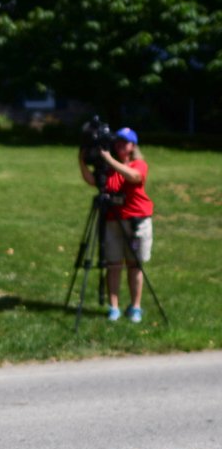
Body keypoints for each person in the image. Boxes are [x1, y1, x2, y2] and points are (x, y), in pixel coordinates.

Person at [78, 126, 154, 323]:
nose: (120, 145)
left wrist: (109, 159)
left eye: (125, 142)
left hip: (136, 222)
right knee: (113, 265)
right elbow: (93, 180)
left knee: (134, 265)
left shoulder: (139, 164)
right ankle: (114, 307)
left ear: (133, 146)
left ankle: (135, 307)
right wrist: (82, 161)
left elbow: (134, 177)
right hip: (113, 221)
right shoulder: (108, 168)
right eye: (118, 141)